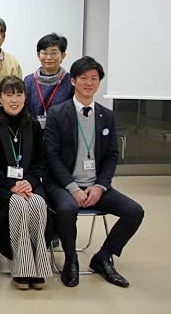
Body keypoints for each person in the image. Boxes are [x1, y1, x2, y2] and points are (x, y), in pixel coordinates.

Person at [44, 56, 144, 288]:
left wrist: (100, 186)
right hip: (62, 184)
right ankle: (71, 259)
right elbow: (52, 156)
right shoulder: (58, 113)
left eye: (94, 79)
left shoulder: (106, 115)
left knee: (134, 211)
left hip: (95, 185)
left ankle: (103, 257)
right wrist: (73, 189)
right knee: (67, 209)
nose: (89, 83)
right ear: (73, 81)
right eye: (83, 78)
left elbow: (111, 156)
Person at [0, 75, 51, 290]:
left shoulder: (33, 126)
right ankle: (21, 265)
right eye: (9, 95)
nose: (14, 100)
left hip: (28, 184)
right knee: (18, 204)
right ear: (0, 98)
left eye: (19, 94)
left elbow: (40, 160)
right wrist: (11, 185)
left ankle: (38, 265)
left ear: (25, 98)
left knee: (38, 203)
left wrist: (28, 181)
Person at [24, 33, 74, 127]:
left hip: (61, 134)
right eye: (44, 53)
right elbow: (25, 109)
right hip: (33, 132)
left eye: (54, 53)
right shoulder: (29, 81)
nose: (49, 57)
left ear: (63, 55)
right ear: (38, 55)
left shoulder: (70, 81)